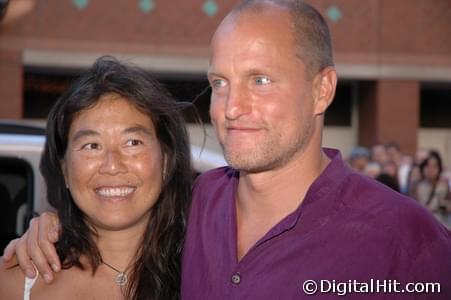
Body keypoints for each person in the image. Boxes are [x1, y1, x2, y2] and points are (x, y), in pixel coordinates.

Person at [4, 1, 451, 299]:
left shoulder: (405, 241)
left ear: (322, 89)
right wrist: (52, 225)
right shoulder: (196, 206)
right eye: (220, 83)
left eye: (260, 80)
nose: (232, 108)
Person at [0, 56, 192, 299]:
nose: (112, 166)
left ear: (165, 162)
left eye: (132, 143)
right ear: (64, 171)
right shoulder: (16, 282)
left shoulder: (206, 273)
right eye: (92, 145)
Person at [415, 151, 451, 227]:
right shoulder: (418, 185)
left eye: (434, 166)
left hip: (441, 224)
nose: (431, 170)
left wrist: (442, 205)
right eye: (428, 166)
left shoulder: (444, 185)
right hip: (423, 223)